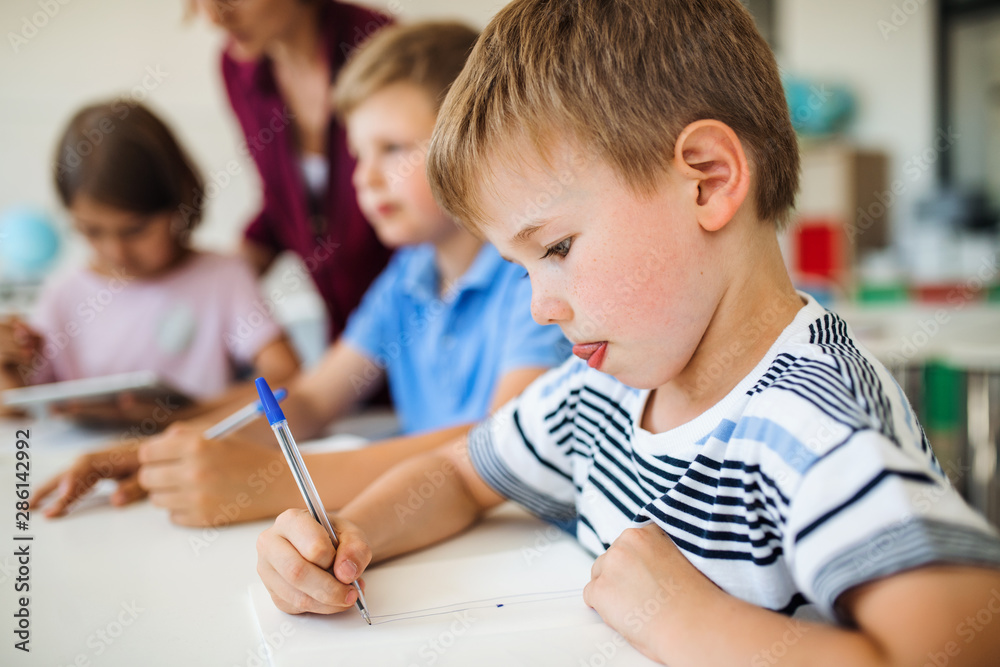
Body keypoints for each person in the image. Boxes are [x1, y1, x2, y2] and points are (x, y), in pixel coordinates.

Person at [255, 1, 1000, 665]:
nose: (541, 306)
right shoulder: (597, 389)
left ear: (706, 180)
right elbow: (459, 474)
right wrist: (347, 536)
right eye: (521, 269)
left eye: (555, 249)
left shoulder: (812, 424)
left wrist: (686, 621)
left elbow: (964, 643)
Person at [31, 22, 569, 527]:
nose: (365, 179)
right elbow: (309, 402)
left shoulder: (529, 278)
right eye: (358, 154)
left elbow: (500, 443)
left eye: (392, 150)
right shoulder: (406, 278)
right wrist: (156, 453)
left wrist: (266, 483)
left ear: (470, 146)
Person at [0, 101, 299, 425]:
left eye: (135, 230)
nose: (116, 252)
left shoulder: (223, 278)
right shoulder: (62, 296)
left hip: (192, 459)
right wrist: (7, 370)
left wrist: (180, 416)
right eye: (92, 231)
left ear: (178, 203)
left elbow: (287, 377)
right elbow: (14, 410)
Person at [198, 0, 393, 343]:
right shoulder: (238, 68)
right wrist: (213, 282)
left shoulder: (379, 46)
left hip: (412, 319)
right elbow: (283, 205)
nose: (215, 16)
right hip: (342, 332)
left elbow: (429, 200)